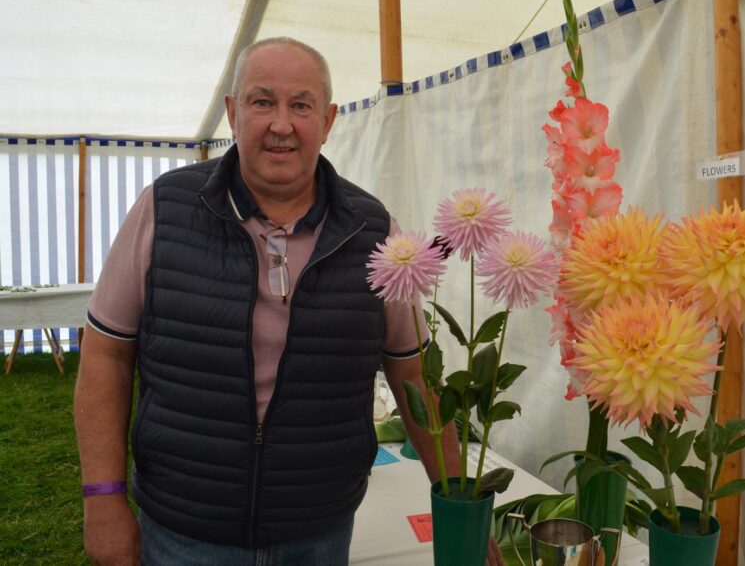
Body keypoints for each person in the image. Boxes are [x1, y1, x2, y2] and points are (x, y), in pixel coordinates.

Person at [73, 37, 503, 565]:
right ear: (233, 113)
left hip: (318, 533)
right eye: (262, 102)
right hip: (184, 529)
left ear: (328, 121)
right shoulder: (164, 210)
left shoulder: (375, 233)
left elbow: (413, 374)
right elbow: (106, 354)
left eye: (301, 105)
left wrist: (462, 506)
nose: (281, 124)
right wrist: (102, 498)